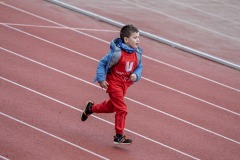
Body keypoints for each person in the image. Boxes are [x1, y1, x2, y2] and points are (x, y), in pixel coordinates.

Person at [81, 24, 143, 144]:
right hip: (114, 83)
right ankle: (119, 136)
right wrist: (101, 79)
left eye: (138, 37)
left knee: (112, 107)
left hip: (125, 84)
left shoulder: (137, 54)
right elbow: (102, 64)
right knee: (122, 109)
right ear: (126, 39)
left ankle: (90, 108)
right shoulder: (117, 53)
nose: (138, 40)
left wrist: (136, 75)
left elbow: (139, 67)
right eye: (135, 37)